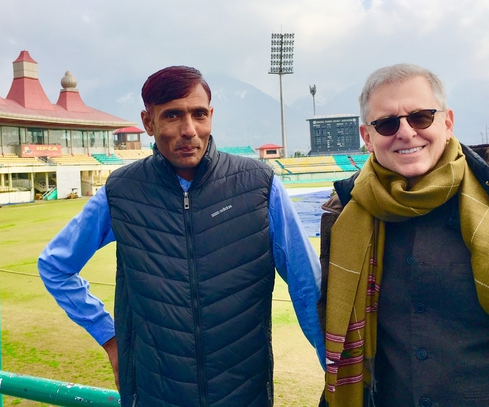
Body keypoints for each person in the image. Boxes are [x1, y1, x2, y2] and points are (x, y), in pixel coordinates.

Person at [38, 65, 326, 406]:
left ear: (211, 116)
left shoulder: (259, 185)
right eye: (173, 115)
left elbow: (307, 286)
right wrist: (111, 340)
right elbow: (55, 266)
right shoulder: (122, 192)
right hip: (154, 393)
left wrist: (334, 369)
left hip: (243, 394)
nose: (189, 130)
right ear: (148, 122)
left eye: (199, 114)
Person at [317, 63, 489, 407]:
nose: (405, 132)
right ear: (367, 137)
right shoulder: (343, 217)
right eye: (386, 123)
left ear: (447, 123)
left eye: (420, 117)